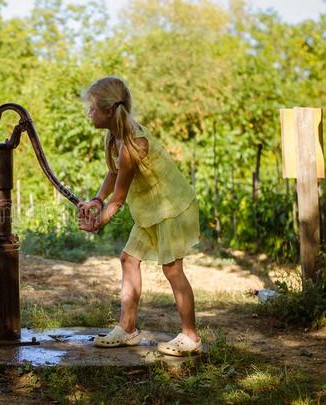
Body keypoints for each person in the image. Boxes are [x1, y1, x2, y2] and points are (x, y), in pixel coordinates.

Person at [77, 76, 202, 356]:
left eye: (93, 107)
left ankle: (191, 337)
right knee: (128, 258)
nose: (89, 113)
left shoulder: (133, 143)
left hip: (171, 209)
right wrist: (97, 200)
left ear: (108, 111)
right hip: (151, 210)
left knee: (171, 269)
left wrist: (98, 222)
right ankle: (127, 328)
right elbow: (113, 174)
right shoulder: (116, 136)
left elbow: (118, 199)